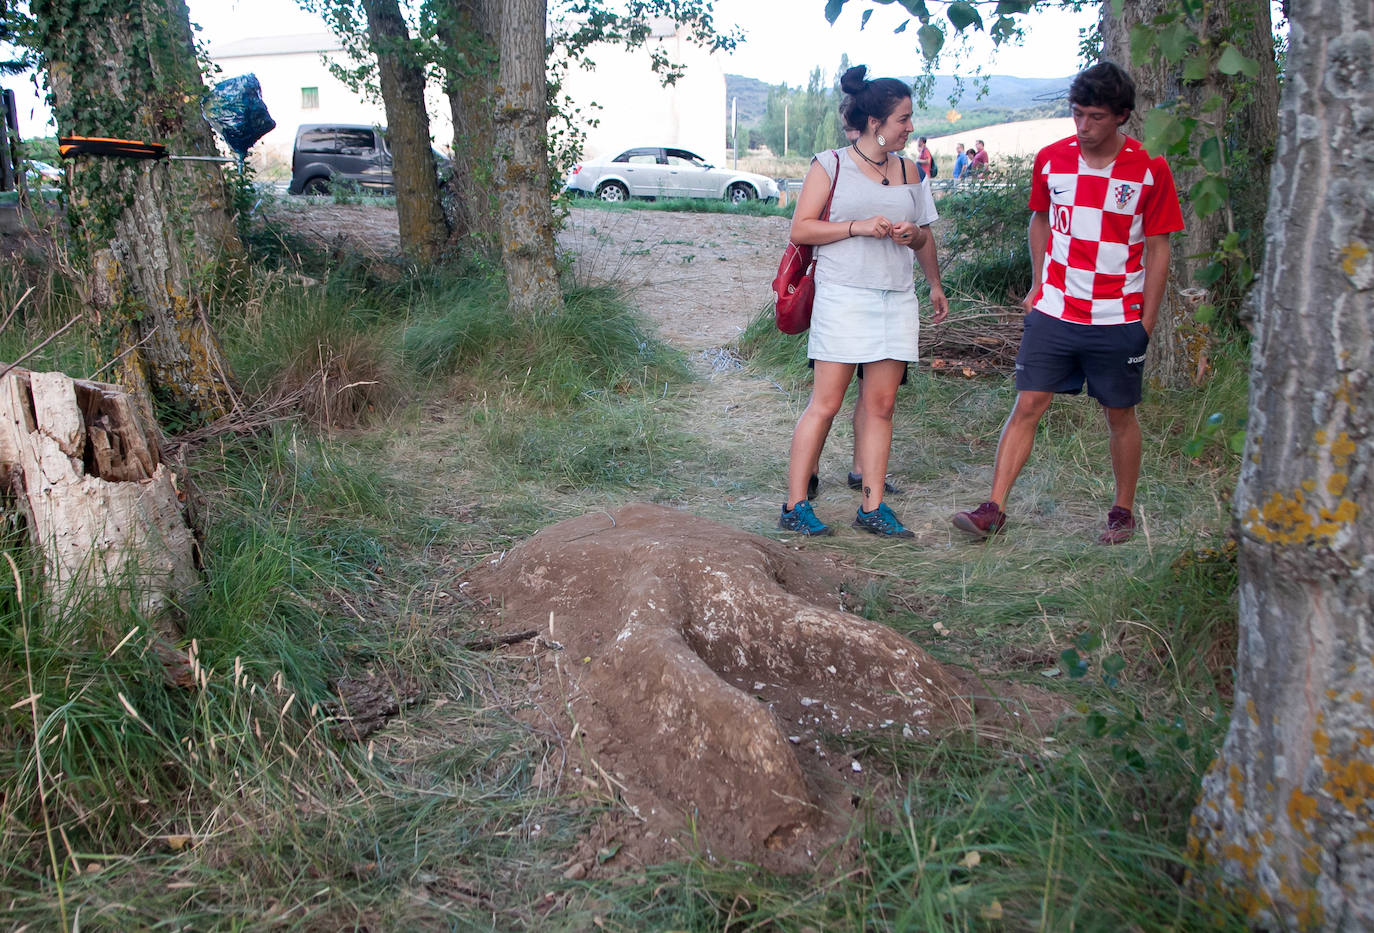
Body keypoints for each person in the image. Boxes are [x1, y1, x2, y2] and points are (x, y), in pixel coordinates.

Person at [950, 61, 1183, 545]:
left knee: (1119, 414)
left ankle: (1121, 511)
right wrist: (1038, 285)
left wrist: (1148, 319)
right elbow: (1039, 220)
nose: (1084, 126)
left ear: (1121, 116)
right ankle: (993, 507)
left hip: (1118, 316)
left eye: (1095, 117)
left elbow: (1160, 246)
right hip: (1055, 309)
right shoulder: (1052, 158)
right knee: (1028, 402)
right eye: (1077, 114)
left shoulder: (1150, 168)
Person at [779, 65, 948, 539]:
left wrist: (929, 272)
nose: (910, 127)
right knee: (827, 403)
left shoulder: (912, 170)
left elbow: (925, 235)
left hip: (896, 297)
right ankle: (794, 505)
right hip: (843, 296)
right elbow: (801, 228)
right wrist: (855, 226)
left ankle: (872, 508)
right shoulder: (829, 164)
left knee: (882, 405)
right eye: (903, 119)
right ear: (876, 123)